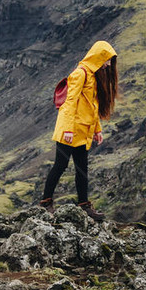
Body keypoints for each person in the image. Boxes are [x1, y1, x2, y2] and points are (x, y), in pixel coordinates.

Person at [40, 40, 118, 221]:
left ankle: (84, 206)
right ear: (98, 57)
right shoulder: (80, 73)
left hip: (83, 132)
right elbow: (69, 103)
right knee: (60, 165)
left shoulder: (93, 75)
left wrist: (97, 129)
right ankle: (45, 202)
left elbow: (92, 106)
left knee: (82, 168)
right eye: (106, 60)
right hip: (70, 130)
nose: (107, 64)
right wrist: (67, 130)